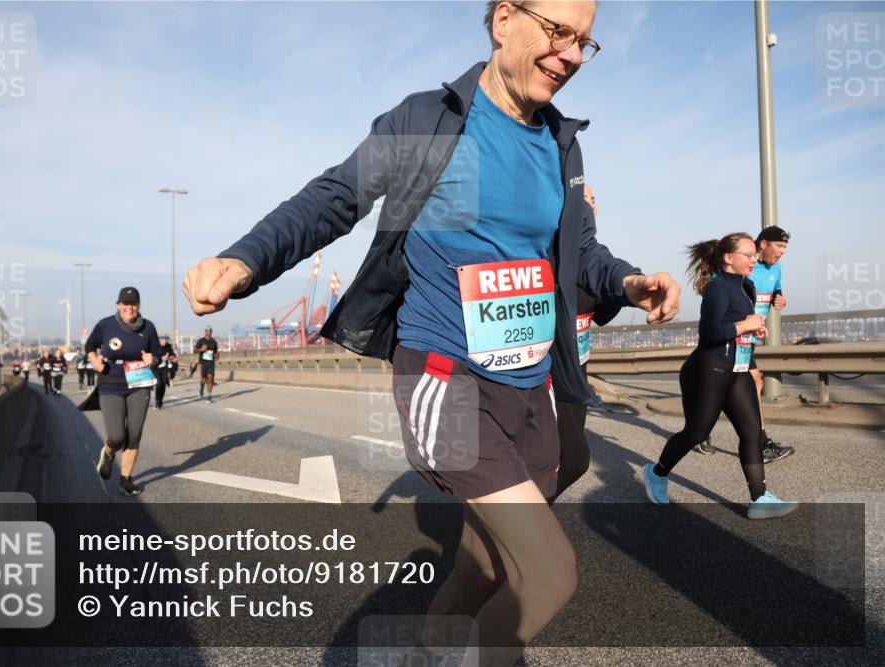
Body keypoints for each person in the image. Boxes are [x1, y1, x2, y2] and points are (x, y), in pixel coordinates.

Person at [183, 2, 681, 662]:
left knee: (484, 565)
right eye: (558, 32)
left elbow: (579, 251)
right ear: (505, 19)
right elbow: (335, 197)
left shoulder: (561, 142)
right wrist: (246, 259)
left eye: (584, 44)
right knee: (549, 574)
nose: (569, 56)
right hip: (442, 377)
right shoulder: (432, 121)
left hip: (529, 385)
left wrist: (628, 282)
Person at [642, 233, 797, 520]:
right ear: (728, 258)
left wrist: (753, 329)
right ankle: (657, 472)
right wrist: (744, 324)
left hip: (738, 369)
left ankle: (759, 498)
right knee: (697, 432)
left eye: (754, 255)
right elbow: (710, 334)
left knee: (751, 432)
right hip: (709, 369)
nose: (753, 260)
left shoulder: (747, 287)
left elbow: (736, 325)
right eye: (747, 255)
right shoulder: (716, 289)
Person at [551, 184, 625, 502]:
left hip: (578, 380)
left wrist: (623, 287)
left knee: (560, 460)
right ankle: (519, 526)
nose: (589, 205)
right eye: (581, 199)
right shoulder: (550, 258)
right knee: (575, 460)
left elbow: (602, 313)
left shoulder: (592, 262)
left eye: (593, 200)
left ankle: (511, 529)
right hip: (550, 378)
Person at [86, 286, 162, 496]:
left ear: (138, 306)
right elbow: (90, 345)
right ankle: (109, 454)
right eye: (126, 304)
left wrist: (153, 359)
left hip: (139, 383)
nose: (130, 307)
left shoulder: (148, 327)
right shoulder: (105, 325)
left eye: (134, 304)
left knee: (134, 434)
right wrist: (93, 360)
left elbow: (158, 353)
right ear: (118, 305)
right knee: (117, 436)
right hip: (111, 381)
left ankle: (126, 480)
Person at [749, 226, 793, 463]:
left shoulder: (776, 268)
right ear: (763, 243)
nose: (782, 252)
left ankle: (698, 433)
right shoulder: (744, 265)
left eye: (785, 247)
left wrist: (780, 299)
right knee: (755, 383)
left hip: (752, 339)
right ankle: (761, 445)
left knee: (727, 391)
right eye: (780, 245)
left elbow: (777, 292)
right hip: (735, 337)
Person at [194, 326, 219, 402]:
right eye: (207, 331)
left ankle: (209, 395)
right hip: (203, 362)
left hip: (211, 362)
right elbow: (195, 350)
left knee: (210, 379)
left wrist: (217, 355)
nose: (208, 332)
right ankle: (201, 388)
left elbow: (216, 351)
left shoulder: (214, 341)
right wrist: (201, 349)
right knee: (203, 380)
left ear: (211, 332)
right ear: (205, 332)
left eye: (210, 331)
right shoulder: (201, 341)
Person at [154, 334, 176, 409]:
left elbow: (173, 356)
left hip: (164, 369)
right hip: (156, 368)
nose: (165, 341)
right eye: (164, 340)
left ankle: (160, 401)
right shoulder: (154, 347)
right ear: (159, 340)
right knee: (159, 383)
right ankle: (157, 400)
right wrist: (159, 358)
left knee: (163, 384)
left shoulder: (168, 347)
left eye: (166, 340)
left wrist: (169, 357)